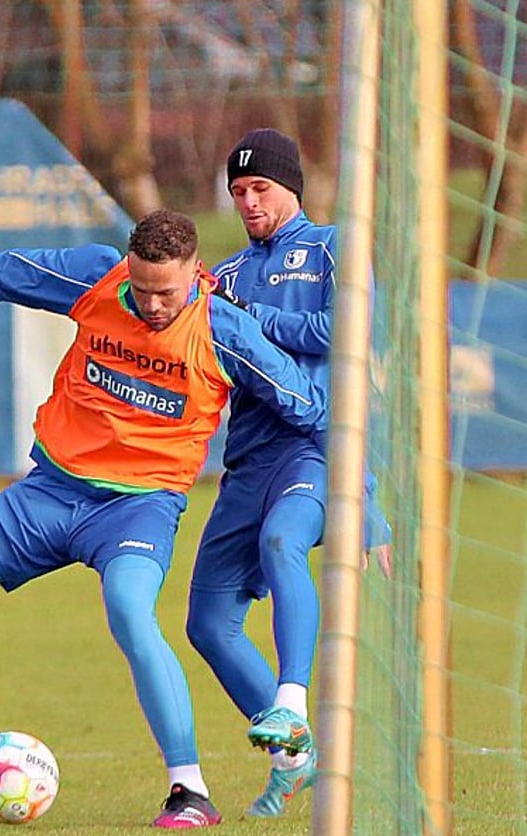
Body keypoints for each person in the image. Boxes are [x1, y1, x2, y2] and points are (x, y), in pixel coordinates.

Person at [0, 209, 333, 829]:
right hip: (47, 494)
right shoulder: (95, 278)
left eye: (167, 293)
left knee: (130, 609)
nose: (152, 305)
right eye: (142, 288)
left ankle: (189, 790)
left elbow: (310, 408)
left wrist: (364, 503)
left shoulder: (224, 328)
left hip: (139, 509)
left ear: (196, 274)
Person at [185, 128, 393, 818]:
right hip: (247, 463)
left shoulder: (334, 248)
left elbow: (344, 331)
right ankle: (299, 759)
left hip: (316, 448)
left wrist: (365, 498)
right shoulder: (224, 277)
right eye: (238, 190)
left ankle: (293, 701)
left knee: (283, 541)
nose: (248, 201)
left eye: (260, 188)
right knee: (207, 623)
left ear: (291, 187)